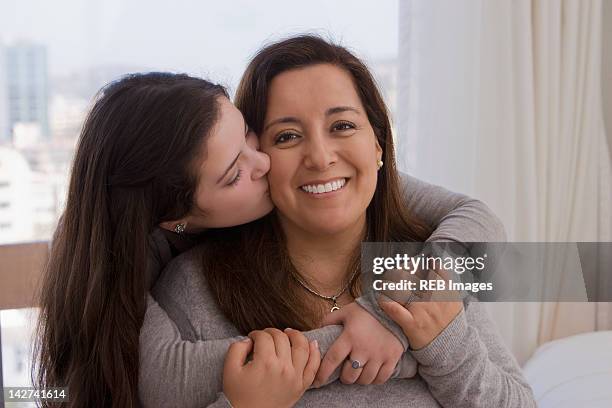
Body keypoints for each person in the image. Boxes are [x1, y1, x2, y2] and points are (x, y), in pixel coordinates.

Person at [33, 72, 503, 407]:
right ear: (180, 217)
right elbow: (161, 381)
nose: (265, 163)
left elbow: (489, 227)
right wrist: (407, 333)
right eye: (237, 171)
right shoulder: (168, 284)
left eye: (247, 136)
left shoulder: (419, 256)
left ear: (379, 144)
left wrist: (398, 314)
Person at [143, 35, 535, 407]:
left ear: (377, 144)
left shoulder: (429, 262)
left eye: (342, 126)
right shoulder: (195, 288)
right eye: (287, 136)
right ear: (259, 157)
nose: (320, 156)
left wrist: (442, 345)